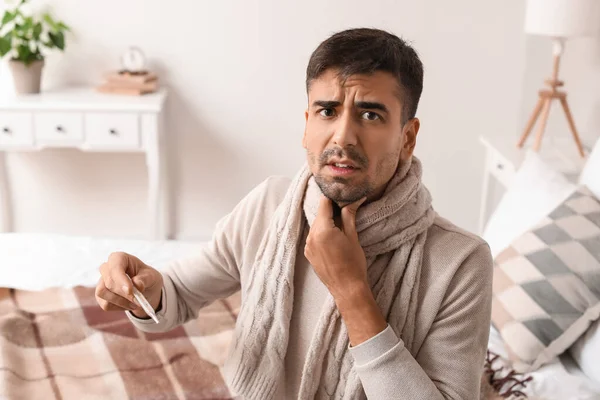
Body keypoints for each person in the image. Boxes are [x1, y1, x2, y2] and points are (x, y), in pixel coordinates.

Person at [96, 28, 493, 400]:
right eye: (327, 111)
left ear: (407, 137)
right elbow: (178, 294)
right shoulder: (269, 204)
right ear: (307, 125)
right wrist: (142, 291)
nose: (343, 136)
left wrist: (351, 291)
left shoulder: (460, 262)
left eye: (370, 115)